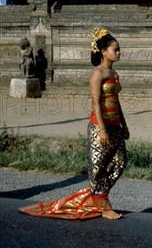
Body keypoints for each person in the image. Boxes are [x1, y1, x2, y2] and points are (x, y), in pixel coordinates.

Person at [19, 28, 129, 220]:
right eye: (115, 49)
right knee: (98, 167)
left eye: (119, 49)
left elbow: (116, 101)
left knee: (119, 164)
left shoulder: (113, 72)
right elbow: (96, 103)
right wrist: (102, 131)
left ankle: (97, 197)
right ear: (104, 51)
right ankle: (102, 204)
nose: (119, 52)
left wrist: (124, 125)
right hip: (99, 127)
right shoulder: (98, 73)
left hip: (115, 126)